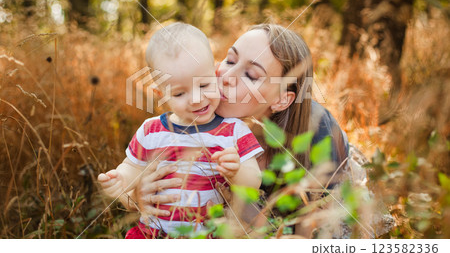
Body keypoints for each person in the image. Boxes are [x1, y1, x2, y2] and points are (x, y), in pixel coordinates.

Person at [127, 24, 350, 237]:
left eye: (251, 75)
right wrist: (139, 193)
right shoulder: (199, 108)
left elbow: (322, 230)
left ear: (282, 99)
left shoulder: (320, 133)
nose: (226, 76)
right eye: (229, 59)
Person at [98, 22, 263, 238]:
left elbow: (254, 181)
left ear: (215, 74)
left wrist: (236, 172)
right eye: (178, 94)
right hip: (154, 233)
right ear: (161, 95)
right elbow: (132, 167)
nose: (196, 99)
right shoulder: (151, 131)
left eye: (204, 85)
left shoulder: (233, 131)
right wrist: (121, 179)